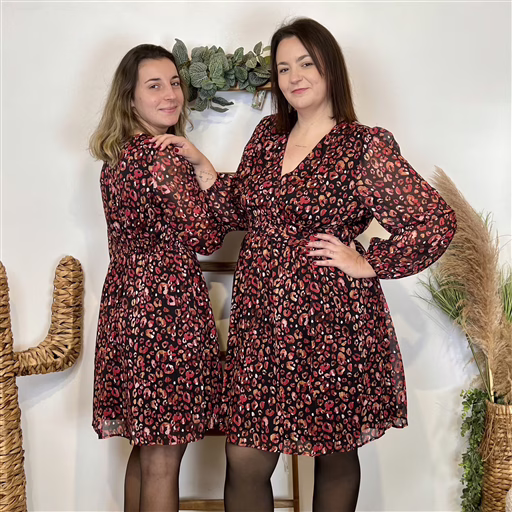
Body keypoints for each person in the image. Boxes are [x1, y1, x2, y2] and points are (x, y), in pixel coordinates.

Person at [155, 17, 457, 512]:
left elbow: (434, 222)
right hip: (260, 320)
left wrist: (367, 261)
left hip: (330, 319)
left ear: (330, 69)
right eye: (283, 68)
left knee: (334, 452)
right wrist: (204, 168)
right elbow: (241, 209)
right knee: (245, 456)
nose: (294, 77)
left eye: (306, 64)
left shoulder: (363, 145)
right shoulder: (267, 136)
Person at [89, 44, 225, 512]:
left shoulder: (116, 159)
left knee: (146, 450)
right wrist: (204, 167)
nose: (170, 95)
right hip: (166, 314)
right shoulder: (163, 159)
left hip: (127, 309)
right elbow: (207, 236)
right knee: (164, 461)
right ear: (130, 99)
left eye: (174, 83)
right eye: (154, 86)